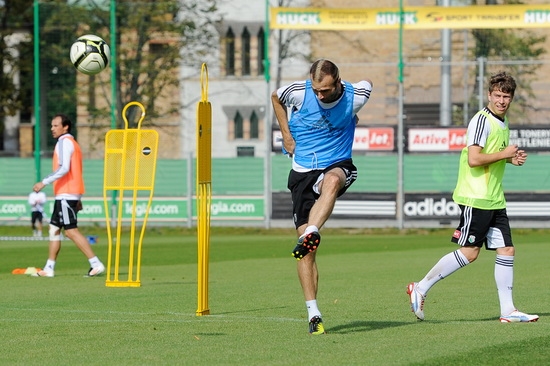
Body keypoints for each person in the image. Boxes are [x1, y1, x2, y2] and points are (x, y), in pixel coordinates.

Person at [407, 71, 539, 323]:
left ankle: (508, 311)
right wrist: (504, 155)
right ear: (489, 95)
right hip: (475, 197)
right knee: (470, 252)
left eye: (506, 96)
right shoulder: (481, 121)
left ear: (511, 98)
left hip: (494, 198)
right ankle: (420, 287)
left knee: (507, 249)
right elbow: (474, 159)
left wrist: (510, 158)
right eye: (497, 95)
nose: (501, 100)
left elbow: (492, 155)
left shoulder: (502, 121)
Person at [271, 59, 373, 334]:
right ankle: (313, 313)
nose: (320, 95)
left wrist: (352, 114)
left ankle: (312, 230)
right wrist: (286, 135)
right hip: (302, 171)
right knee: (308, 253)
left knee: (331, 182)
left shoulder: (357, 95)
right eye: (316, 90)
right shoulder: (298, 92)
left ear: (338, 81)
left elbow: (368, 85)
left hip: (337, 163)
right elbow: (275, 97)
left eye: (326, 90)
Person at [32, 113, 105, 278]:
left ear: (65, 127)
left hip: (66, 193)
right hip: (68, 193)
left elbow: (64, 168)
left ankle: (96, 263)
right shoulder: (73, 143)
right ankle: (49, 268)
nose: (52, 128)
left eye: (56, 125)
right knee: (54, 229)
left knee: (71, 231)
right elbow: (75, 171)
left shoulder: (64, 142)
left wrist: (44, 182)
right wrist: (78, 197)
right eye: (51, 125)